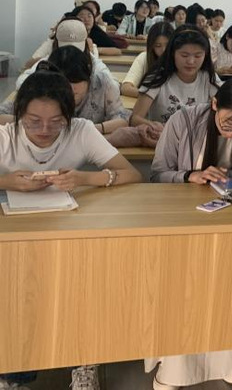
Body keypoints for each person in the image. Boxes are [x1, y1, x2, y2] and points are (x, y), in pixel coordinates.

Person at [0, 69, 141, 390]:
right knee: (17, 292)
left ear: (70, 115)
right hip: (15, 237)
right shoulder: (5, 137)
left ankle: (83, 359)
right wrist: (7, 182)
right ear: (19, 114)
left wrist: (84, 178)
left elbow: (132, 174)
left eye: (56, 121)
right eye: (33, 121)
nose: (44, 130)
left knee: (86, 283)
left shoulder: (81, 131)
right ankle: (14, 370)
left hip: (68, 230)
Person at [147, 77, 232, 389]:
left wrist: (227, 173)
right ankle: (176, 370)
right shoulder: (184, 121)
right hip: (185, 224)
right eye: (229, 123)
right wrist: (189, 176)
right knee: (187, 294)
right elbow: (157, 174)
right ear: (215, 104)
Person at [131, 28, 219, 139]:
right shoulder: (158, 77)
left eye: (198, 56)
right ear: (173, 53)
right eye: (184, 55)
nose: (191, 61)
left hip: (195, 140)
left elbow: (226, 108)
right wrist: (154, 126)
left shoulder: (208, 77)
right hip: (161, 139)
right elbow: (135, 119)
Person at [20, 18, 110, 86]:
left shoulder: (94, 63)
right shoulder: (48, 61)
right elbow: (22, 81)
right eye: (66, 47)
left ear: (85, 42)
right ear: (56, 43)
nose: (71, 52)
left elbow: (109, 82)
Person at [120, 22, 174, 98]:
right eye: (158, 46)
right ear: (151, 46)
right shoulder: (144, 58)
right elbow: (125, 88)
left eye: (167, 45)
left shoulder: (179, 61)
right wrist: (150, 97)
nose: (163, 50)